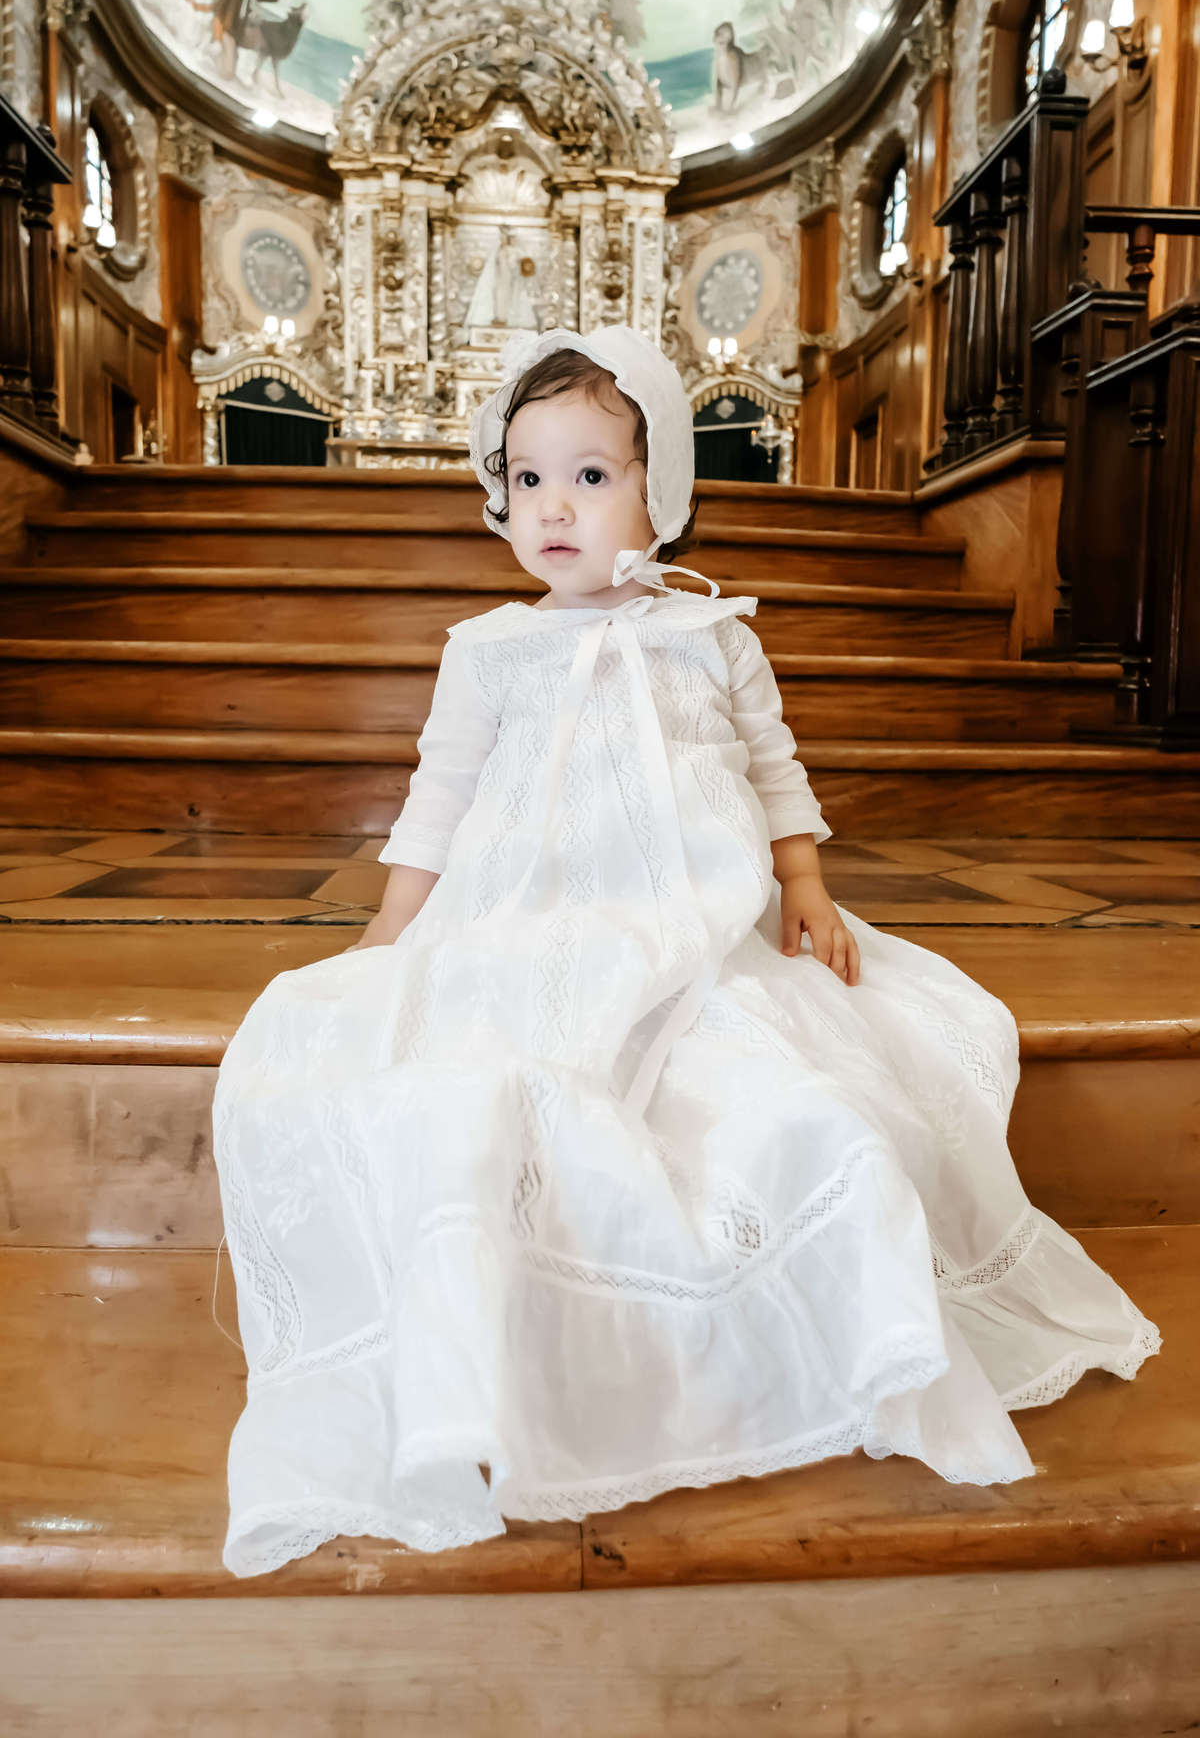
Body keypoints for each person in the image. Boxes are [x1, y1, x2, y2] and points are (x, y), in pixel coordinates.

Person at [210, 324, 1161, 1579]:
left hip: (696, 922)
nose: (554, 507)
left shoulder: (713, 635)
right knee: (475, 1065)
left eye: (592, 477)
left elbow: (773, 770)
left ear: (664, 497)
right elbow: (439, 797)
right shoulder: (487, 649)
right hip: (531, 914)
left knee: (789, 1077)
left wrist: (805, 883)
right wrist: (396, 930)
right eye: (529, 478)